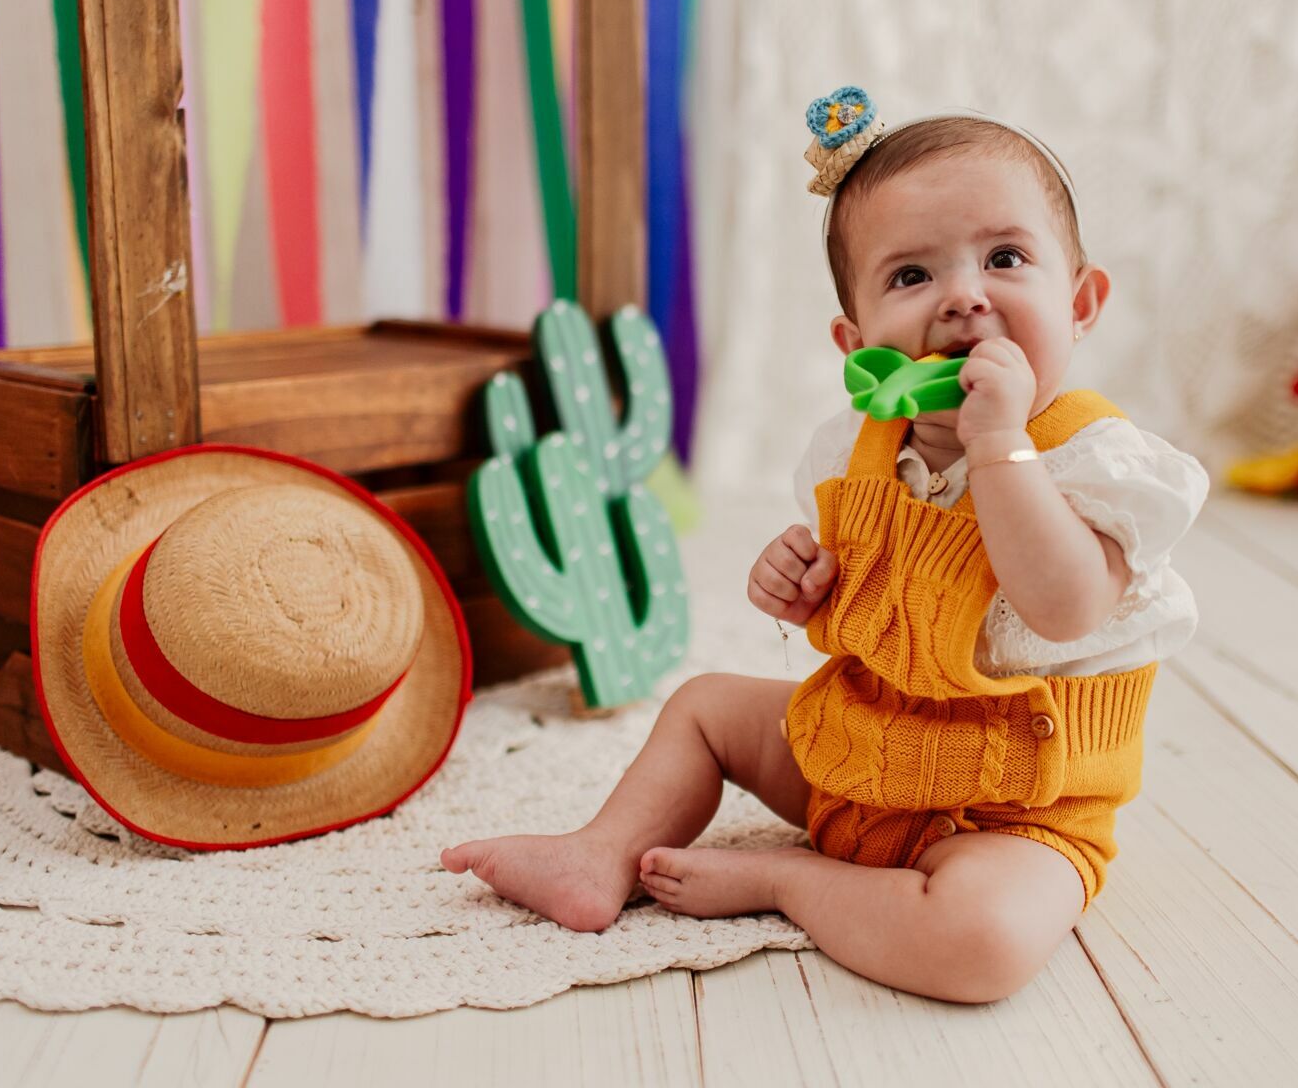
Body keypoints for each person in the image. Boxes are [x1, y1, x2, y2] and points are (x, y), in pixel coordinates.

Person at [442, 88, 1207, 1003]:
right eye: (911, 276)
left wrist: (1000, 444)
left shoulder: (1100, 461)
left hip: (1016, 809)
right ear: (858, 341)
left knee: (984, 945)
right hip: (863, 751)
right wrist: (804, 586)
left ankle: (790, 882)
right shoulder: (854, 450)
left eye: (1004, 258)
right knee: (705, 704)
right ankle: (599, 854)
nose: (965, 298)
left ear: (1080, 303)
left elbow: (1064, 605)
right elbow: (875, 603)